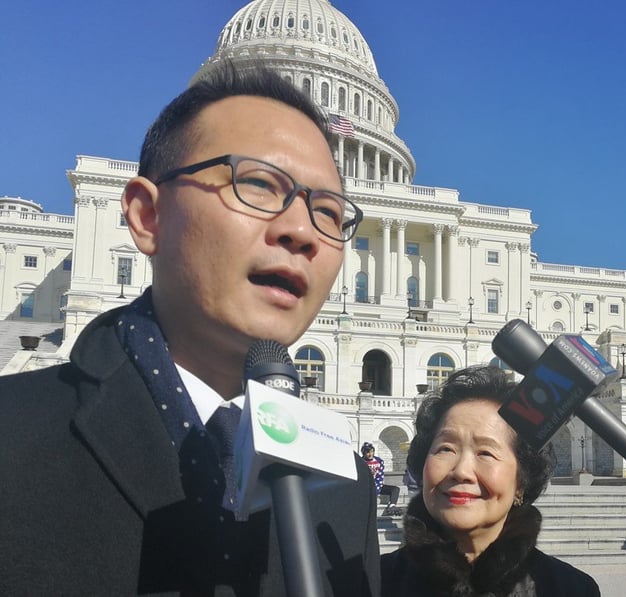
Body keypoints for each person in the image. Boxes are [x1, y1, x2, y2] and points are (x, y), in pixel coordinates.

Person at [0, 62, 382, 595]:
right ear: (146, 216)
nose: (301, 230)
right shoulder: (12, 435)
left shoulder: (346, 485)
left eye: (328, 210)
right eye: (258, 183)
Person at [381, 366, 600, 596]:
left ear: (522, 482)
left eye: (485, 453)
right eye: (446, 448)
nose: (462, 471)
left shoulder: (570, 589)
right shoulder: (371, 581)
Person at [363, 442, 403, 516]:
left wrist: (377, 488)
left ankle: (392, 506)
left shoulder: (378, 461)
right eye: (368, 452)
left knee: (395, 489)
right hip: (366, 487)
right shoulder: (361, 462)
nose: (370, 454)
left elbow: (380, 477)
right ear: (364, 453)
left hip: (377, 485)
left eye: (372, 451)